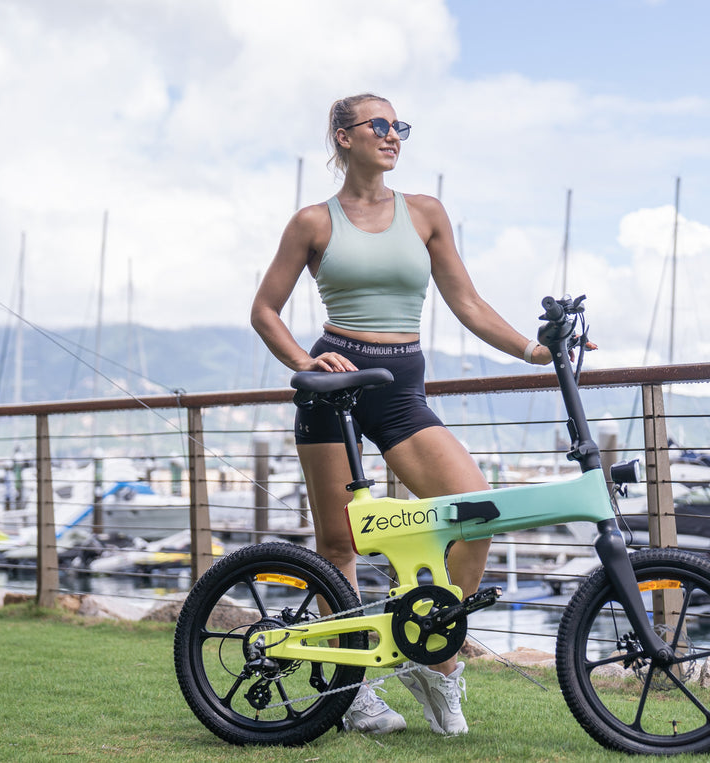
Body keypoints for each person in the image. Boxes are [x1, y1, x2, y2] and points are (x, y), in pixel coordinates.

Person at [250, 93, 558, 736]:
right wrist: (307, 361)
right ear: (343, 137)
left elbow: (467, 303)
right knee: (339, 545)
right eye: (380, 125)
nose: (394, 136)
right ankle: (352, 690)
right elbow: (265, 311)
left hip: (401, 390)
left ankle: (434, 657)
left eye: (400, 127)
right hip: (331, 388)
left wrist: (534, 350)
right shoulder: (313, 222)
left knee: (475, 509)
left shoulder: (424, 214)